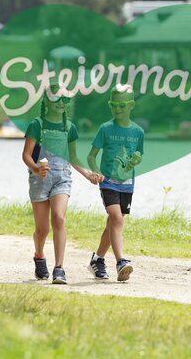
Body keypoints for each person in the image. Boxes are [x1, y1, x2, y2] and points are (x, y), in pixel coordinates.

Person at [22, 86, 103, 284]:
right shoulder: (37, 125)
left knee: (59, 218)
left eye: (66, 99)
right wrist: (35, 169)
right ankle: (39, 255)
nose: (61, 102)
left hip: (62, 178)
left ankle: (59, 268)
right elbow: (26, 155)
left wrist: (88, 174)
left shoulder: (70, 127)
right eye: (57, 98)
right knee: (42, 230)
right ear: (47, 101)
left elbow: (73, 157)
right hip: (39, 180)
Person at [86, 84, 144, 281]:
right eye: (114, 105)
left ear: (131, 105)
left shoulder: (138, 132)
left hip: (127, 184)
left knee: (113, 223)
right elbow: (92, 156)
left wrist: (137, 159)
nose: (118, 109)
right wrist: (95, 170)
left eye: (122, 105)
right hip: (108, 182)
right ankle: (121, 262)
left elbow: (138, 155)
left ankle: (97, 259)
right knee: (116, 219)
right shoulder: (105, 129)